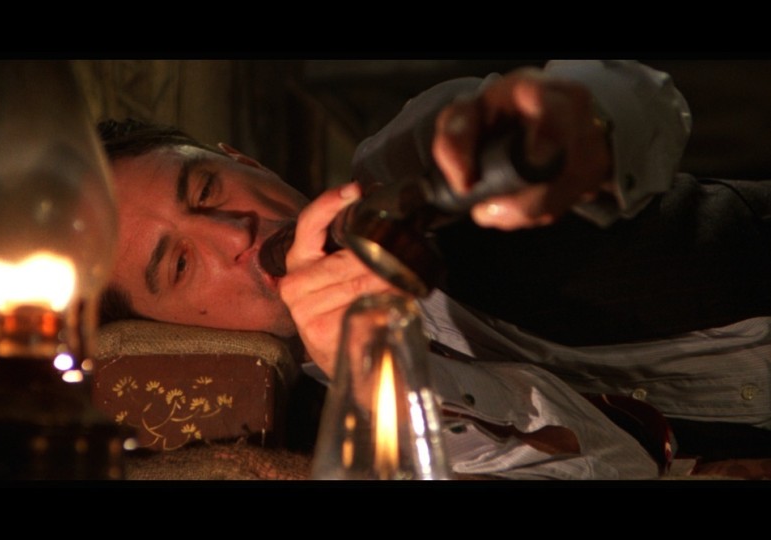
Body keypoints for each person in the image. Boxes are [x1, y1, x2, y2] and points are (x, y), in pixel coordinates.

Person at [98, 60, 771, 479]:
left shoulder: (404, 165)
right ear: (172, 331)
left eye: (207, 189)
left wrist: (580, 118)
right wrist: (379, 374)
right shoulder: (337, 436)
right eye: (179, 264)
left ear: (243, 160)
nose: (234, 233)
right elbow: (616, 467)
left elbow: (642, 100)